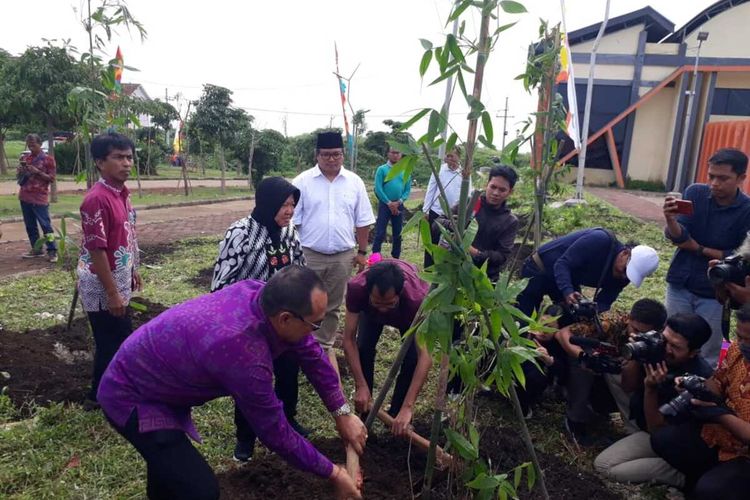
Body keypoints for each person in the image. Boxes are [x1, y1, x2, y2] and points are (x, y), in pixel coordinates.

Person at [98, 266, 365, 500]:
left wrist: (341, 413)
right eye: (315, 324)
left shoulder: (263, 295)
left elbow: (310, 353)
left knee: (168, 473)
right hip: (133, 394)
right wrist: (333, 472)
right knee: (200, 491)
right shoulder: (245, 354)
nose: (314, 331)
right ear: (285, 318)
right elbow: (275, 432)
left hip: (156, 375)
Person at [210, 176, 307, 462]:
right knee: (251, 380)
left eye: (292, 205)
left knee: (289, 372)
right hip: (250, 323)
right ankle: (246, 436)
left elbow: (300, 269)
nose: (289, 211)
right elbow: (221, 282)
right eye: (284, 205)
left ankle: (288, 420)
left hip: (285, 321)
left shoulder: (290, 234)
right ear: (267, 203)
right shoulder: (241, 232)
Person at [595, 313, 713, 488]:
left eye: (676, 347)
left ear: (693, 353)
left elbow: (658, 432)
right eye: (665, 340)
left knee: (608, 467)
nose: (667, 349)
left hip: (673, 441)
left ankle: (680, 475)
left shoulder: (697, 380)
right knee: (602, 464)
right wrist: (639, 352)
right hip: (650, 429)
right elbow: (627, 386)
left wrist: (651, 388)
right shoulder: (657, 348)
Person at [293, 131, 375, 373]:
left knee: (332, 305)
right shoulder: (302, 182)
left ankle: (322, 348)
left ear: (343, 154)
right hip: (309, 253)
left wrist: (361, 251)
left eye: (336, 154)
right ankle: (299, 347)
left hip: (342, 255)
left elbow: (363, 220)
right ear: (317, 155)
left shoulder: (354, 182)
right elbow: (293, 221)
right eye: (326, 155)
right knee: (303, 302)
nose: (332, 159)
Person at [650, 305, 750, 498]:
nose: (743, 343)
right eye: (740, 336)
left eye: (749, 339)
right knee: (664, 439)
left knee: (710, 490)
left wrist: (720, 415)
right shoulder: (737, 349)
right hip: (722, 436)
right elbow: (718, 383)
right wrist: (696, 384)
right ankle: (701, 479)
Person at [663, 148, 750, 367]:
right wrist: (671, 221)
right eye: (710, 176)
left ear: (741, 178)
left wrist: (699, 248)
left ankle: (699, 394)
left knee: (707, 353)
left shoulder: (747, 209)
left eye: (723, 178)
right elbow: (680, 237)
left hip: (716, 292)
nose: (714, 183)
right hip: (681, 282)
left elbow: (740, 257)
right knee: (672, 343)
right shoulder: (695, 193)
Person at [76, 132, 141, 409]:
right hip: (101, 282)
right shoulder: (96, 200)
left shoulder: (122, 194)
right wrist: (112, 292)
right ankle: (99, 397)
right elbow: (96, 249)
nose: (126, 163)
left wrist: (133, 268)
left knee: (118, 338)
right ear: (100, 163)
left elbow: (126, 236)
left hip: (119, 275)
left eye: (129, 157)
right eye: (118, 157)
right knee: (111, 340)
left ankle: (110, 392)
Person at [557, 299, 668, 444]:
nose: (636, 337)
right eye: (635, 330)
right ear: (629, 319)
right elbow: (563, 334)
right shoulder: (611, 322)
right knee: (582, 357)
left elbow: (631, 385)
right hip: (606, 371)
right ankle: (576, 419)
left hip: (638, 383)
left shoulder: (665, 343)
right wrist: (584, 357)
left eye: (644, 334)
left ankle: (638, 432)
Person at [342, 260, 431, 436]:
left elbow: (425, 357)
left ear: (399, 295)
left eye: (389, 303)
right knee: (363, 348)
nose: (383, 309)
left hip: (407, 316)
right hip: (370, 314)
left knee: (412, 359)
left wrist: (408, 407)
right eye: (377, 302)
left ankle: (398, 413)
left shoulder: (416, 300)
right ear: (368, 292)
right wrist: (360, 385)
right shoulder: (356, 289)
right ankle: (364, 408)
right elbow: (349, 340)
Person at [515, 227, 659, 323]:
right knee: (521, 321)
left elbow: (604, 302)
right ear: (625, 253)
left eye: (628, 276)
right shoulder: (600, 240)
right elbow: (562, 264)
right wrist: (568, 291)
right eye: (624, 271)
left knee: (570, 321)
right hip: (539, 269)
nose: (623, 277)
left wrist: (591, 312)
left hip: (568, 278)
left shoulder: (623, 276)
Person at [466, 164, 519, 282]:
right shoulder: (472, 203)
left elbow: (502, 256)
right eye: (493, 187)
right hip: (456, 271)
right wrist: (451, 227)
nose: (495, 193)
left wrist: (475, 253)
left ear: (510, 192)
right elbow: (439, 223)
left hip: (485, 279)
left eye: (502, 190)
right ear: (486, 185)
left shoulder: (510, 221)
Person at [422, 147, 472, 267]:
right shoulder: (439, 169)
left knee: (449, 243)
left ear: (458, 157)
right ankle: (429, 268)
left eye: (452, 156)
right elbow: (431, 189)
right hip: (437, 211)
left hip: (453, 215)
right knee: (432, 241)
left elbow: (468, 193)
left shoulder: (464, 173)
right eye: (447, 156)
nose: (448, 159)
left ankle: (443, 268)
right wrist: (426, 210)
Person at [17, 133, 57, 262]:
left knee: (46, 225)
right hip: (25, 196)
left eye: (33, 145)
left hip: (39, 198)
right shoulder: (26, 158)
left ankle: (52, 250)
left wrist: (37, 172)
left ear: (40, 144)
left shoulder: (48, 159)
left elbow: (51, 178)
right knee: (30, 226)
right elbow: (19, 178)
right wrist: (21, 171)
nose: (31, 148)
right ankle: (36, 248)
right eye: (29, 145)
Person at [372, 147, 411, 259]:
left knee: (398, 233)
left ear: (401, 154)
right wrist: (388, 202)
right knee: (380, 232)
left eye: (397, 153)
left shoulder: (405, 171)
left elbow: (407, 190)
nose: (395, 155)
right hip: (384, 205)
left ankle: (396, 257)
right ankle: (375, 256)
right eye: (393, 153)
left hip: (399, 205)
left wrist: (399, 201)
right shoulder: (382, 169)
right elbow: (378, 188)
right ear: (388, 154)